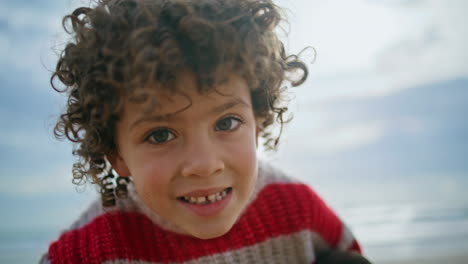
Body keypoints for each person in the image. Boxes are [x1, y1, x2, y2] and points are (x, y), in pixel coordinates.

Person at [41, 0, 371, 263]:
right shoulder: (87, 253)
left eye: (226, 123)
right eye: (160, 135)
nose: (204, 163)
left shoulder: (296, 209)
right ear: (116, 154)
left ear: (257, 121)